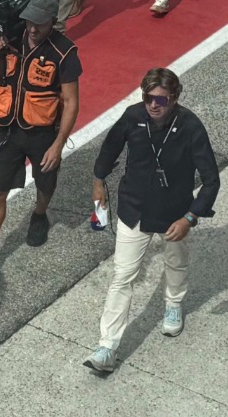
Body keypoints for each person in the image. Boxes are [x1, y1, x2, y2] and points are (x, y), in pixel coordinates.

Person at [84, 67, 220, 374]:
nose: (153, 105)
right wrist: (98, 181)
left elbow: (211, 180)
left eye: (160, 99)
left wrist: (190, 217)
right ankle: (107, 347)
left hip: (175, 214)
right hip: (134, 208)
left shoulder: (191, 126)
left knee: (176, 263)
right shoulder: (133, 116)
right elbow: (110, 147)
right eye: (148, 98)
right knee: (122, 276)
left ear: (174, 98)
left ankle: (174, 303)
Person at [0, 0, 80, 277]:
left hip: (43, 134)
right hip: (7, 130)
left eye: (39, 23)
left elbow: (71, 102)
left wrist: (58, 145)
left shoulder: (64, 52)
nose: (33, 28)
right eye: (29, 21)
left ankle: (39, 214)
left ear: (52, 20)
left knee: (45, 183)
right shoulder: (12, 35)